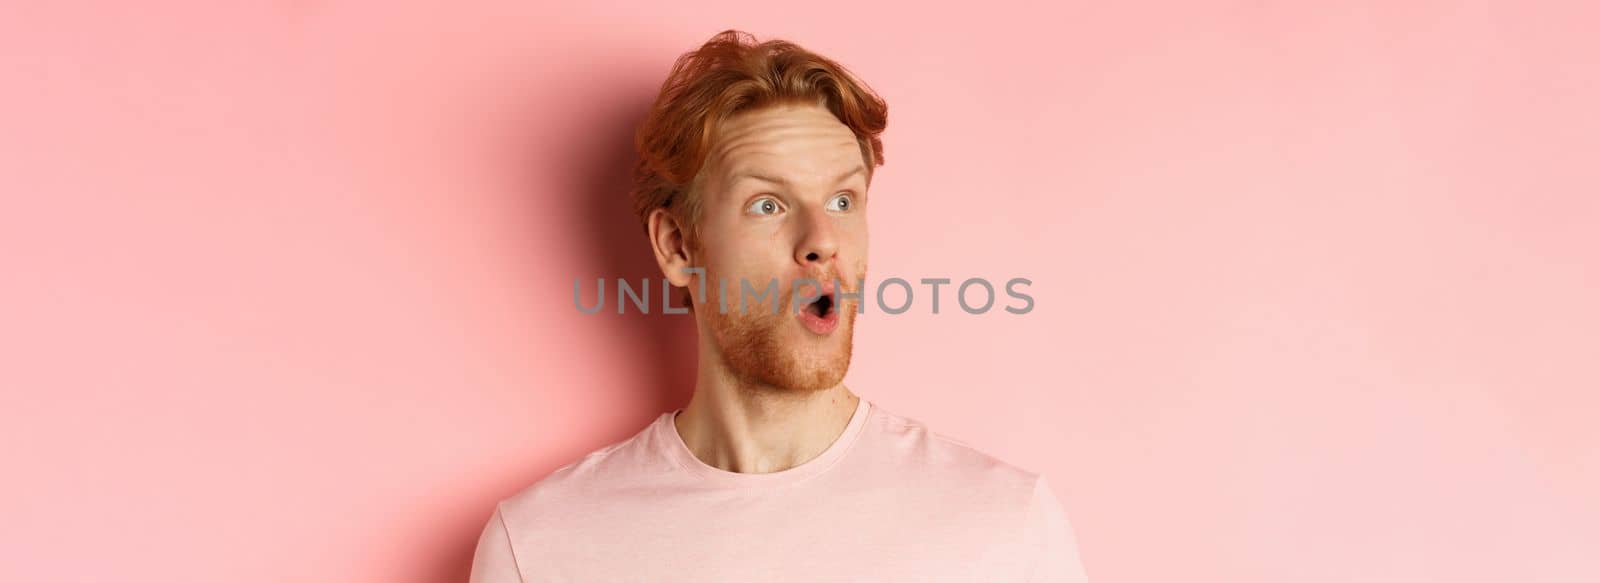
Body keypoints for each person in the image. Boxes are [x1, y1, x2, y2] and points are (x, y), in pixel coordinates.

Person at [469, 29, 1089, 582]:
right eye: (768, 204)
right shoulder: (543, 546)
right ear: (679, 245)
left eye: (843, 201)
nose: (822, 240)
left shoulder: (1004, 527)